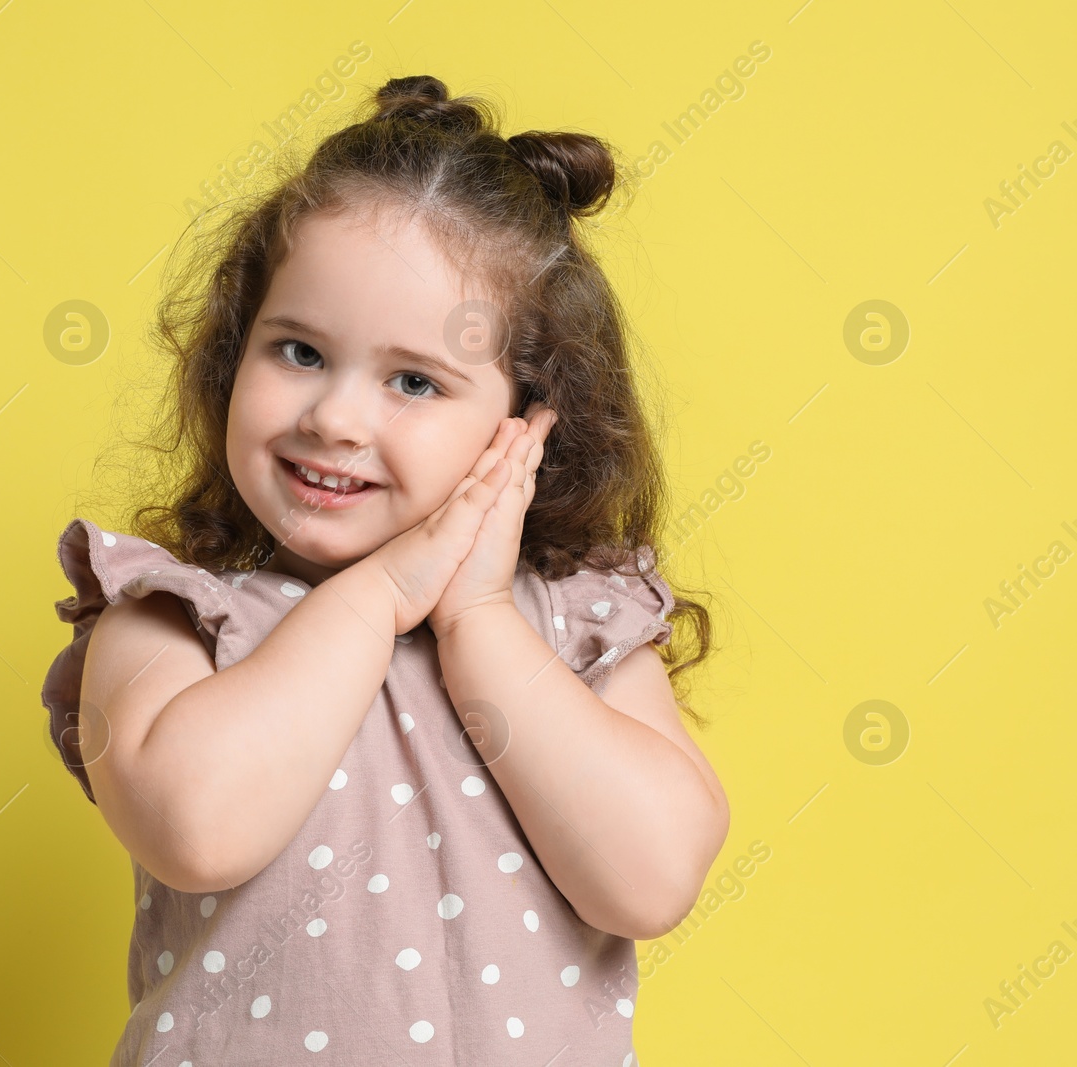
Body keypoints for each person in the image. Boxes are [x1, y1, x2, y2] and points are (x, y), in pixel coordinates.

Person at [41, 73, 728, 1065]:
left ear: (527, 422)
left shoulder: (576, 626)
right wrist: (382, 592)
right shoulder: (169, 618)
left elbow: (652, 877)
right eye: (299, 352)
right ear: (233, 356)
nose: (334, 418)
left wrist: (478, 614)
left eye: (413, 380)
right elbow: (198, 826)